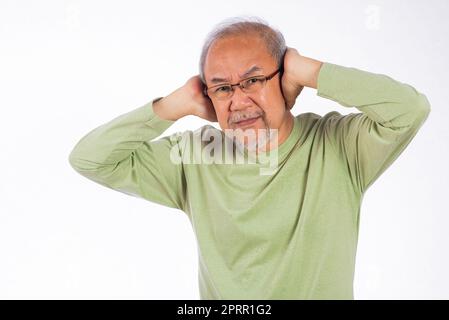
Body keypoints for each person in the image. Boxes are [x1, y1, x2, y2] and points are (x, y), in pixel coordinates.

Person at [68, 16, 431, 299]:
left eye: (253, 81)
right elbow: (90, 159)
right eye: (223, 88)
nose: (238, 102)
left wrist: (310, 71)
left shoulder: (337, 144)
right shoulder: (197, 154)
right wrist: (172, 105)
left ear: (283, 78)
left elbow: (409, 109)